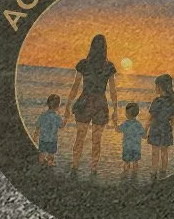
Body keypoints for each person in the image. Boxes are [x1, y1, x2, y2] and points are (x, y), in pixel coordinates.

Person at [68, 34, 116, 177]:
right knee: (96, 140)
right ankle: (93, 169)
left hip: (85, 102)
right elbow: (113, 90)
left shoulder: (84, 64)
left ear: (91, 46)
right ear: (105, 48)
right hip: (100, 104)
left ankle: (75, 167)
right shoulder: (108, 66)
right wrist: (115, 109)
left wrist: (68, 105)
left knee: (80, 137)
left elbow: (75, 85)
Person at [146, 74, 174, 181]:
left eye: (156, 86)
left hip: (156, 129)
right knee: (164, 152)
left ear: (160, 87)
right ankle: (162, 171)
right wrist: (171, 128)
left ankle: (155, 172)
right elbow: (173, 118)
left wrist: (145, 130)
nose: (155, 88)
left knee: (156, 152)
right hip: (165, 129)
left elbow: (150, 118)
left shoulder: (157, 101)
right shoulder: (170, 102)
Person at [118, 102, 144, 184]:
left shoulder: (126, 124)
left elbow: (118, 130)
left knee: (126, 162)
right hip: (136, 148)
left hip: (127, 147)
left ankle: (125, 175)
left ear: (127, 114)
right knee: (135, 162)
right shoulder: (138, 124)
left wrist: (114, 123)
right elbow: (144, 135)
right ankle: (134, 176)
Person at [35, 94, 63, 167]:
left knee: (42, 153)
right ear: (58, 106)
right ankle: (50, 164)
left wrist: (35, 137)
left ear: (47, 104)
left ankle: (41, 163)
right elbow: (61, 126)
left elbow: (37, 126)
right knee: (51, 154)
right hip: (52, 140)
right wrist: (66, 119)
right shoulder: (57, 117)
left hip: (43, 139)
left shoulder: (43, 115)